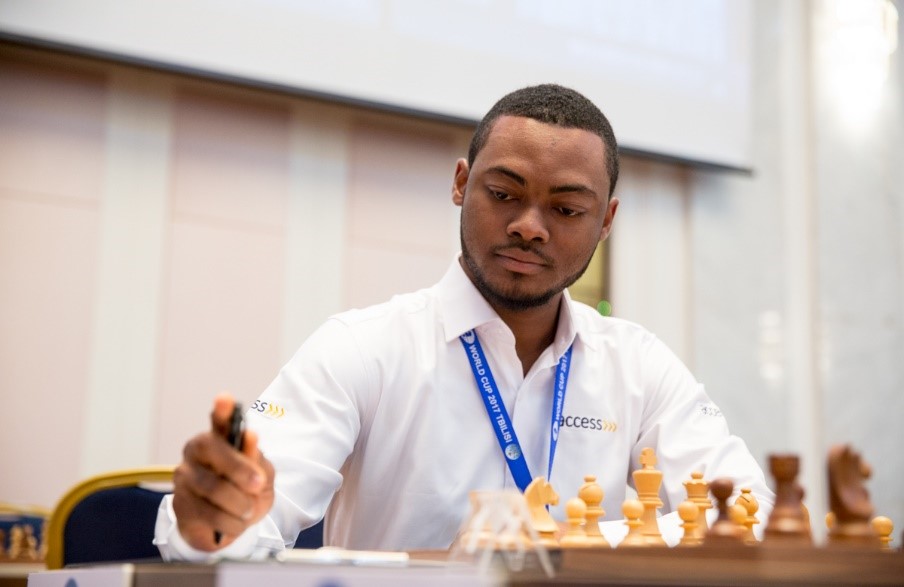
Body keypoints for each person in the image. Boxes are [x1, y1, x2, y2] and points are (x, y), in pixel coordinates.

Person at [154, 84, 774, 560]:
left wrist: (558, 555)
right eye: (504, 193)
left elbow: (752, 514)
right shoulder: (364, 349)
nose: (530, 225)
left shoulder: (641, 367)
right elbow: (232, 529)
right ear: (460, 183)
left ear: (606, 220)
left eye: (565, 207)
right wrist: (211, 520)